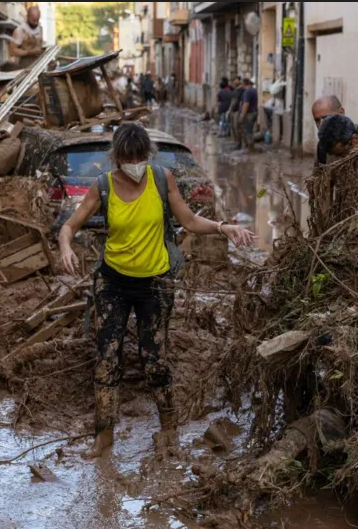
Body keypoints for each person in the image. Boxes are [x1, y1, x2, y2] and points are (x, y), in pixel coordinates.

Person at [58, 123, 255, 458]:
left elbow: (190, 221)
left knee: (155, 361)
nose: (134, 164)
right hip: (112, 283)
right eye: (127, 158)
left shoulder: (163, 180)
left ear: (146, 155)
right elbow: (69, 225)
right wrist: (66, 247)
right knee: (107, 360)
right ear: (116, 157)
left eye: (139, 157)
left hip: (155, 284)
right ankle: (103, 438)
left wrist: (225, 227)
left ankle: (169, 430)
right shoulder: (104, 186)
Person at [311, 96, 346, 166]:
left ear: (341, 113)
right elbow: (318, 176)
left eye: (325, 118)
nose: (321, 125)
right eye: (317, 120)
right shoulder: (322, 148)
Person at [239, 78, 258, 150]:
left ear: (244, 84)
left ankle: (250, 147)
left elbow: (246, 104)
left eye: (242, 84)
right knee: (250, 130)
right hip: (254, 112)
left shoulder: (247, 91)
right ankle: (250, 146)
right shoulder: (254, 90)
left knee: (248, 131)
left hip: (249, 114)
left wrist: (242, 115)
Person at [229, 76, 244, 147]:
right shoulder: (235, 89)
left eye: (235, 80)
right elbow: (233, 100)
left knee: (236, 126)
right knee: (233, 126)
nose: (234, 82)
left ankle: (239, 143)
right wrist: (230, 110)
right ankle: (236, 141)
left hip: (238, 110)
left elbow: (237, 101)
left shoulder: (241, 90)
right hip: (233, 110)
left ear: (239, 80)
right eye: (233, 81)